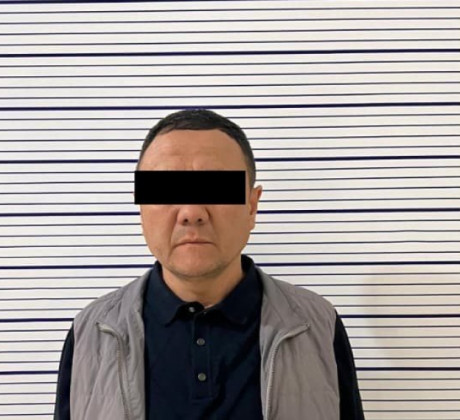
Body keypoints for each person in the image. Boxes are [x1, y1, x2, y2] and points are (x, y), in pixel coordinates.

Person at [54, 109, 365, 420]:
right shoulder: (92, 333)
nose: (192, 212)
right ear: (142, 206)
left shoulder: (315, 325)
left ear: (252, 206)